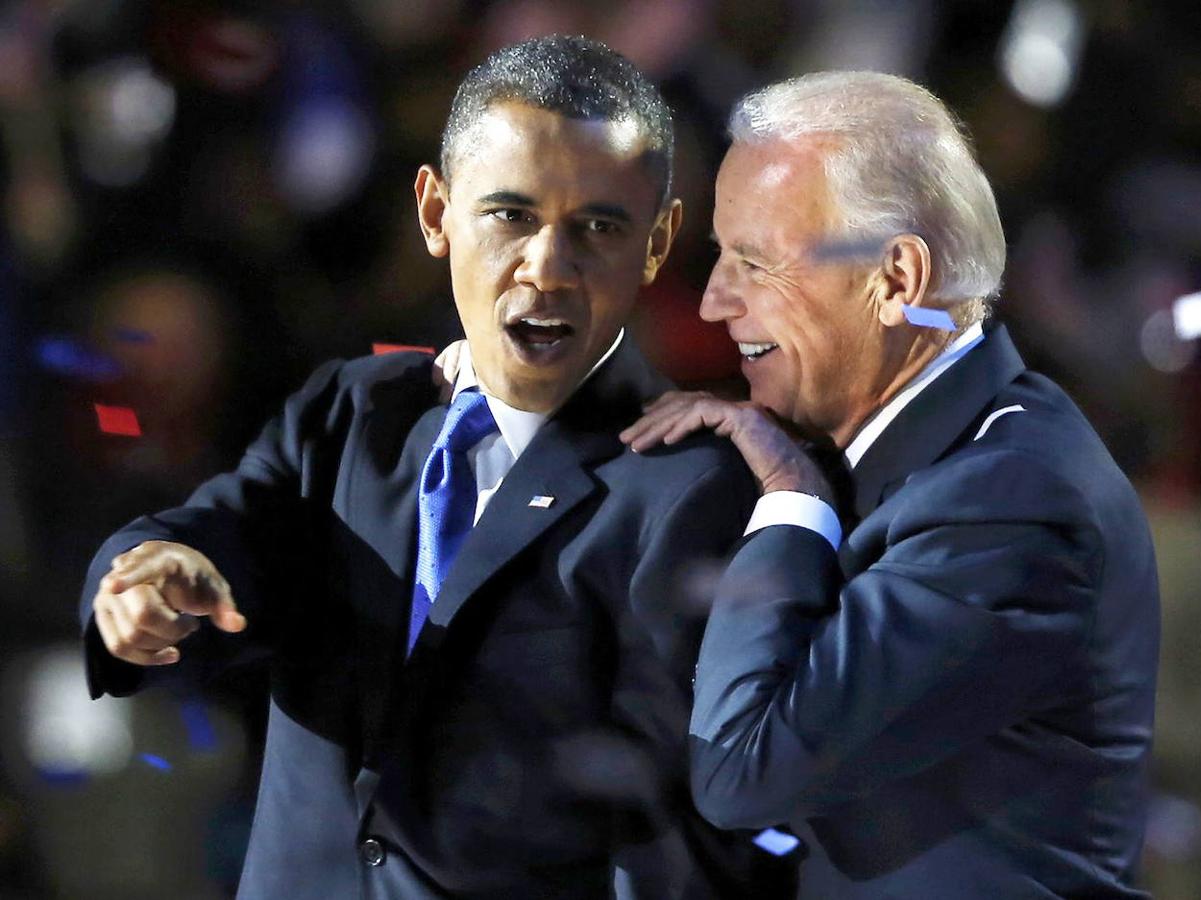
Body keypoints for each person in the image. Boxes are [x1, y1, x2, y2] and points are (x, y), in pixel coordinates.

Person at [80, 36, 789, 900]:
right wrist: (142, 579)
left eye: (598, 227)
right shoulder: (347, 415)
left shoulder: (692, 488)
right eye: (509, 215)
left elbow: (681, 830)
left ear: (657, 242)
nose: (546, 266)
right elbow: (222, 534)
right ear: (435, 213)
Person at [621, 71, 1160, 898]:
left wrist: (792, 502)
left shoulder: (1008, 500)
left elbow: (742, 767)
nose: (715, 300)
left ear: (896, 281)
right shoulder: (899, 454)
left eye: (754, 262)